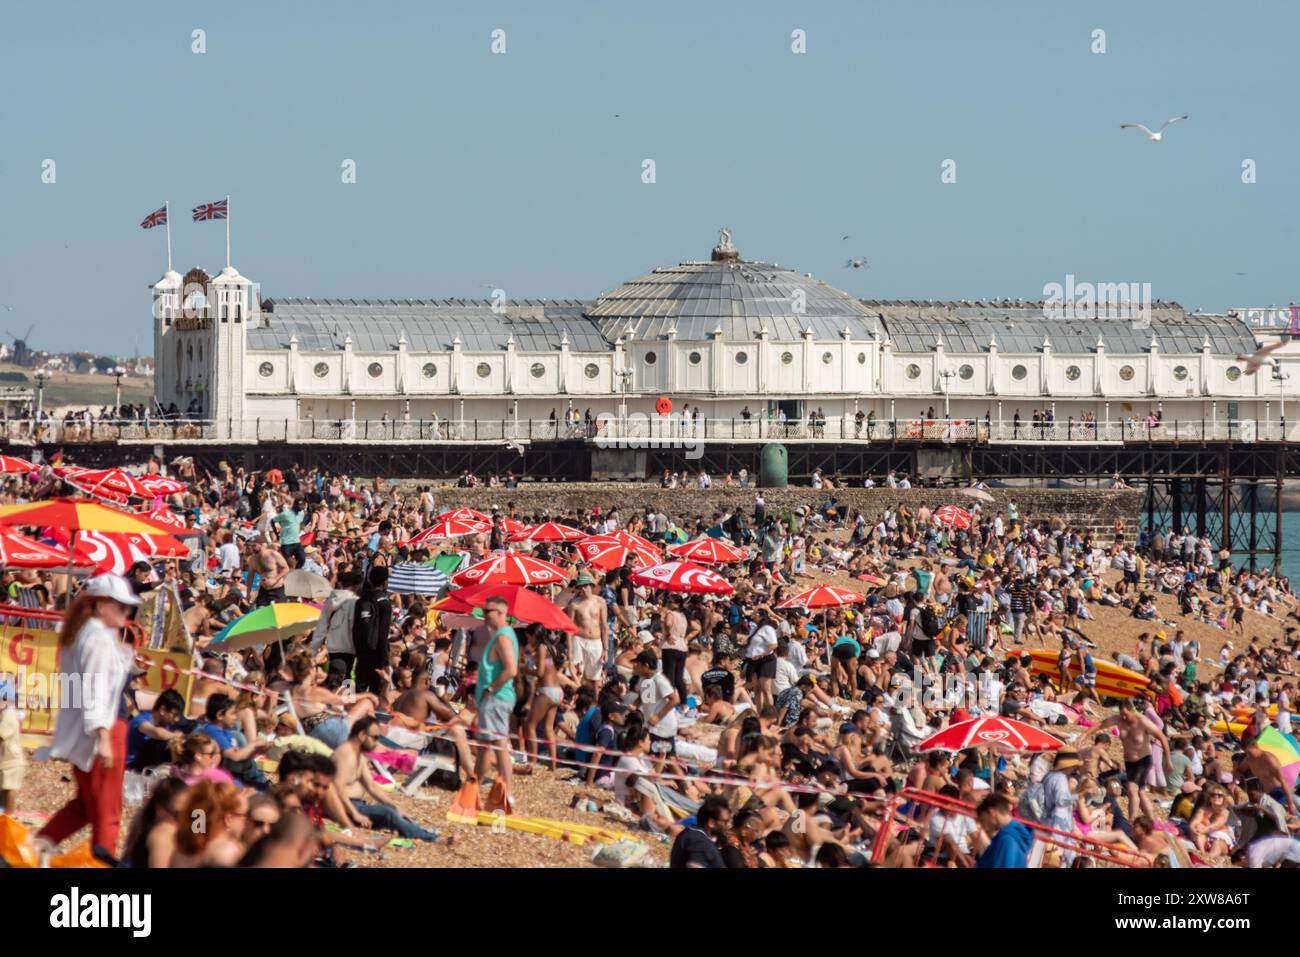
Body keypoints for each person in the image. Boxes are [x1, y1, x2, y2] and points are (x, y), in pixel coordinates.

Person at [36, 574, 141, 860]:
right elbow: (93, 689)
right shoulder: (96, 638)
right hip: (103, 730)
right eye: (121, 606)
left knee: (86, 805)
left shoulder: (83, 634)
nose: (127, 613)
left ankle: (36, 846)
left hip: (90, 729)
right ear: (101, 605)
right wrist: (103, 736)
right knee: (108, 812)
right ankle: (101, 862)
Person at [334, 717, 439, 841]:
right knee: (387, 813)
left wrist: (396, 806)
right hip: (345, 808)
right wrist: (355, 814)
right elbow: (336, 788)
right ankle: (431, 838)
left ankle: (420, 832)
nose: (377, 743)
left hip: (355, 805)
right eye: (375, 738)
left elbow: (371, 786)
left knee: (393, 812)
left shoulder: (357, 753)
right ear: (362, 735)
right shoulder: (347, 754)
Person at [475, 595, 519, 812]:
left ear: (501, 613)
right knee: (485, 747)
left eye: (488, 610)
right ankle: (473, 787)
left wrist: (491, 689)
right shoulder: (500, 635)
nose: (484, 614)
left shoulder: (503, 636)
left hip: (497, 697)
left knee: (500, 747)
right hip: (493, 698)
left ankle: (507, 795)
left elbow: (511, 669)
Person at [669, 794, 729, 868]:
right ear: (711, 823)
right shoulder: (700, 842)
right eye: (725, 821)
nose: (727, 825)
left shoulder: (690, 833)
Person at [976, 793, 1032, 868]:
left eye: (982, 820)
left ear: (991, 813)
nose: (983, 827)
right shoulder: (1014, 835)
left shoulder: (1006, 840)